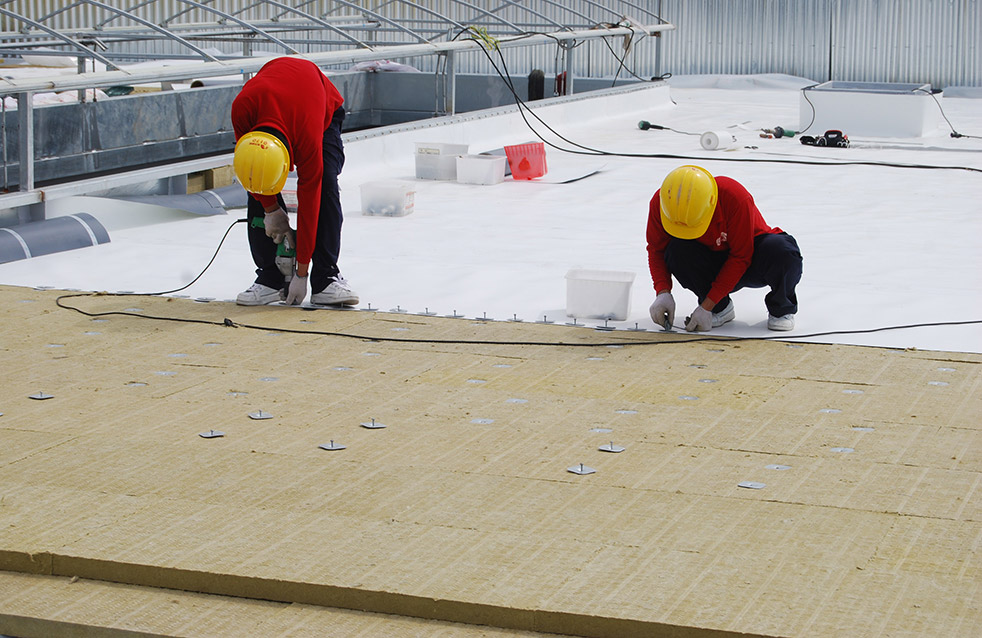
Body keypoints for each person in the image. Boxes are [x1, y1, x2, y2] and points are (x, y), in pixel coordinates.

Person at [231, 57, 358, 307]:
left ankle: (326, 278)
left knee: (326, 185)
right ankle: (270, 279)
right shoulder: (242, 109)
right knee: (257, 180)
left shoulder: (307, 133)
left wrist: (302, 271)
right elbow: (250, 170)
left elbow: (310, 199)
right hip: (278, 97)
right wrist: (270, 209)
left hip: (321, 109)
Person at [646, 165, 802, 332]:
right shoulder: (662, 202)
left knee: (782, 251)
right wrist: (663, 292)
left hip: (750, 256)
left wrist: (706, 306)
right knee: (676, 250)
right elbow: (656, 250)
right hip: (709, 261)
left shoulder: (734, 196)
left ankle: (781, 309)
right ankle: (720, 308)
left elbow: (741, 257)